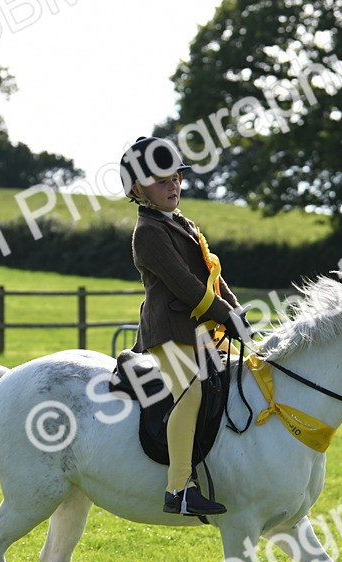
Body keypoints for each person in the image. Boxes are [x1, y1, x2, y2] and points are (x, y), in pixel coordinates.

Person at [119, 136, 252, 516]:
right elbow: (186, 287)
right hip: (169, 332)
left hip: (200, 330)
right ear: (138, 190)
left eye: (176, 177)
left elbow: (210, 273)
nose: (173, 185)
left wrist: (237, 312)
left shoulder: (182, 223)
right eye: (162, 181)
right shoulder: (148, 232)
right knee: (190, 393)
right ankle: (178, 489)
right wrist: (226, 316)